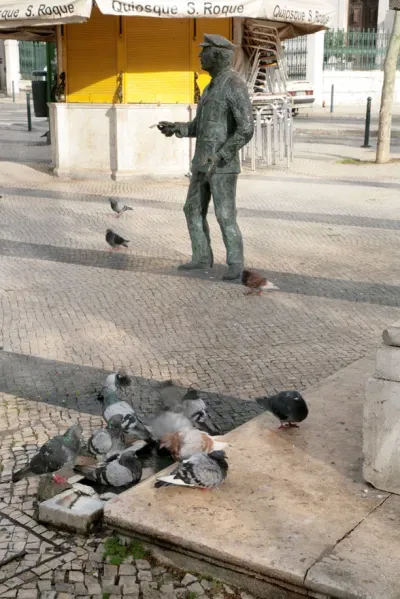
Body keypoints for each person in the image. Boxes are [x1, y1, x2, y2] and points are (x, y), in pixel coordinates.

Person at [157, 33, 254, 280]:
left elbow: (246, 129)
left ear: (218, 55)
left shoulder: (234, 84)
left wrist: (221, 154)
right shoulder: (210, 86)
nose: (200, 55)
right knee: (192, 209)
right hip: (202, 163)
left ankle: (235, 262)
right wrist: (176, 128)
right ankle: (201, 257)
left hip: (222, 166)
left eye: (204, 51)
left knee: (225, 214)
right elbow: (199, 126)